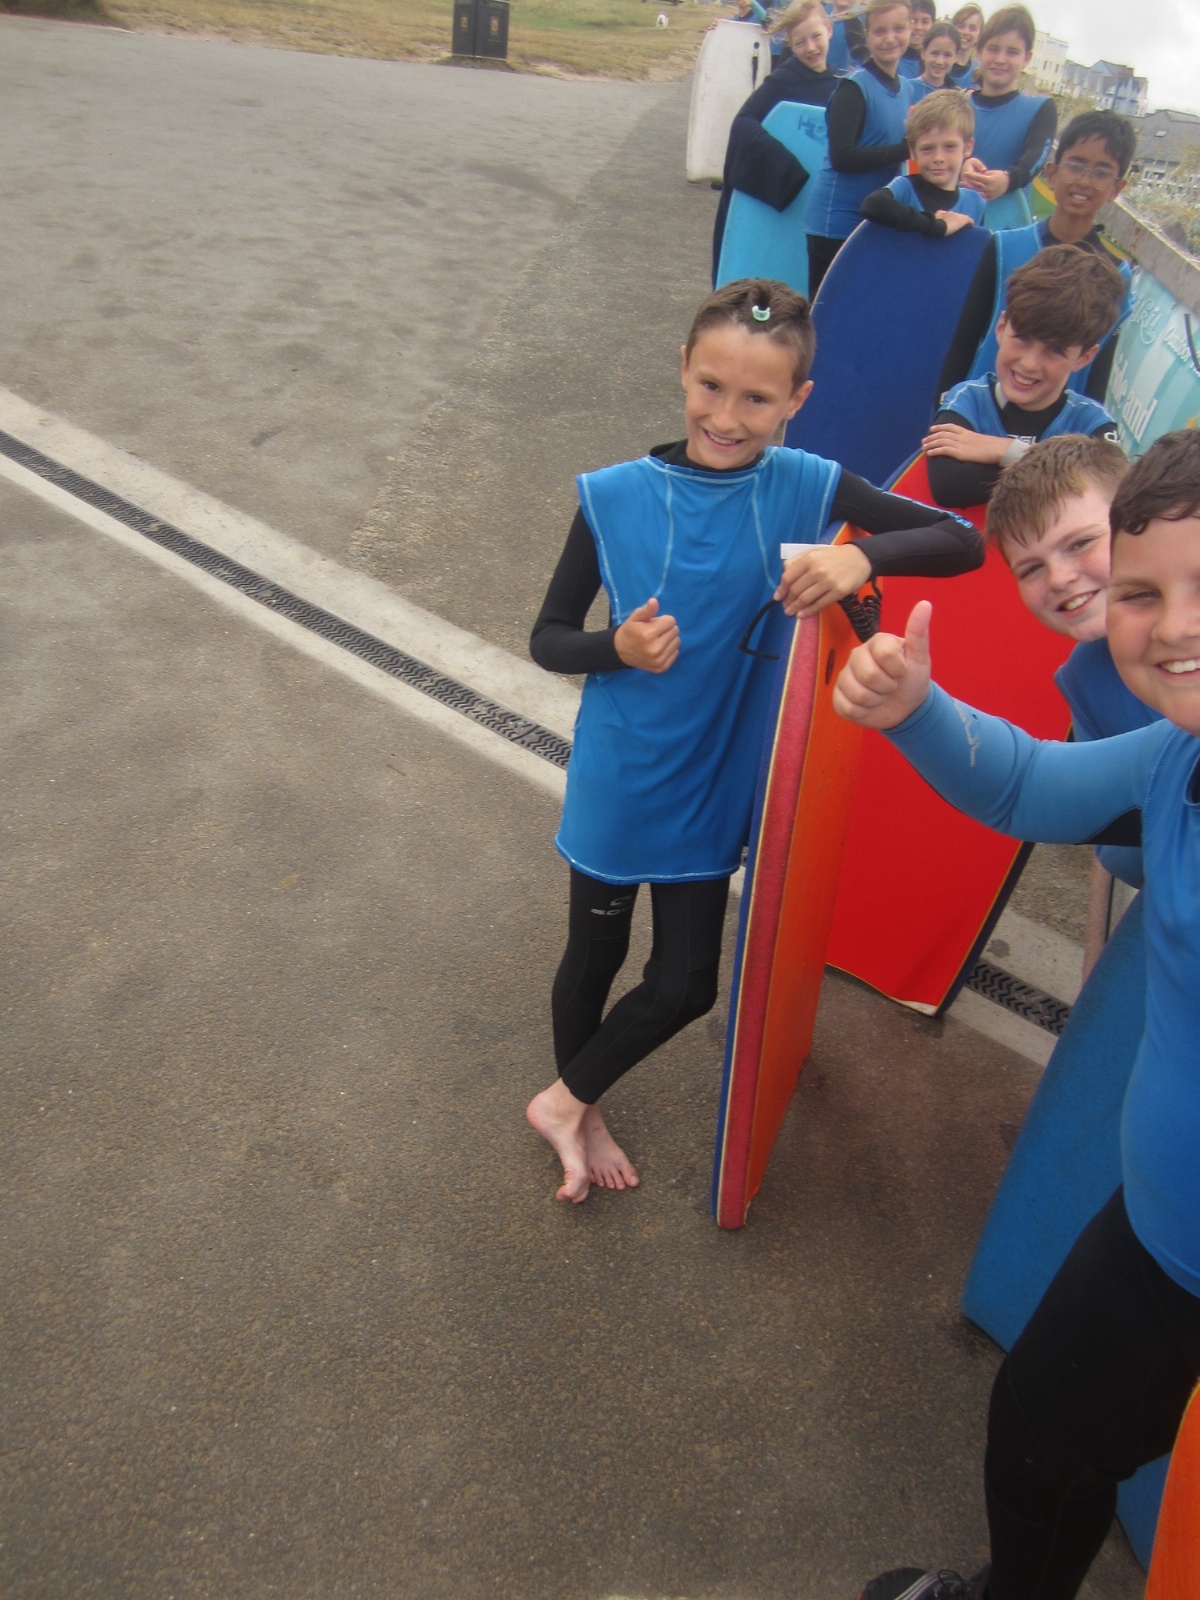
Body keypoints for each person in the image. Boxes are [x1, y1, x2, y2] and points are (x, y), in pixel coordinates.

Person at [833, 427, 1200, 1600]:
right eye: (1145, 594)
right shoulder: (1175, 754)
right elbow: (1033, 781)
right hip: (1162, 1237)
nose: (1175, 626)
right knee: (1041, 1431)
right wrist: (916, 708)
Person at [525, 278, 983, 1204]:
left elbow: (959, 541)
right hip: (625, 773)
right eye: (710, 386)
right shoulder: (613, 496)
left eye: (758, 398)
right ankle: (584, 1108)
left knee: (686, 984)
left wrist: (860, 553)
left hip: (715, 785)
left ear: (797, 400)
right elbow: (548, 637)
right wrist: (615, 648)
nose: (726, 418)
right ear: (683, 370)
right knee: (595, 957)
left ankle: (562, 1099)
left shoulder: (806, 484)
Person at [987, 433, 1158, 887]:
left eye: (1080, 543)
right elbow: (1116, 852)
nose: (1059, 578)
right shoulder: (1083, 678)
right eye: (1031, 569)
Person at [938, 110, 1136, 402]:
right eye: (1076, 166)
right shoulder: (1003, 248)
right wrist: (945, 405)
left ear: (1116, 189)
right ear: (1053, 173)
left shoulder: (1116, 276)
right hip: (977, 413)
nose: (1084, 181)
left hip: (1055, 429)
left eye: (1101, 173)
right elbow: (963, 342)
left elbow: (1097, 375)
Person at [923, 245, 1123, 507]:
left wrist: (1006, 450)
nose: (1030, 364)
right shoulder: (967, 398)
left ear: (1084, 357)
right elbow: (948, 485)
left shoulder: (1092, 421)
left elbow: (1112, 494)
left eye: (1055, 350)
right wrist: (1062, 478)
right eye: (1023, 338)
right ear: (1001, 327)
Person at [711, 0, 839, 281]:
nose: (811, 47)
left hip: (816, 211)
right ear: (790, 44)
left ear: (829, 29)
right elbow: (743, 125)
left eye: (816, 36)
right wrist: (786, 172)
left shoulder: (841, 86)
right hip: (784, 211)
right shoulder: (782, 81)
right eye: (800, 42)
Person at [805, 0, 919, 297]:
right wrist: (905, 150)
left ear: (911, 29)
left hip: (870, 221)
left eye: (898, 28)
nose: (890, 38)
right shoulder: (854, 87)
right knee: (825, 315)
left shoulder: (906, 88)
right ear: (867, 35)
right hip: (835, 222)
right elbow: (841, 157)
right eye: (880, 31)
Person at [958, 5, 1056, 225]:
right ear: (979, 50)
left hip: (1009, 226)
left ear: (1027, 57)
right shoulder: (958, 105)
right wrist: (961, 165)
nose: (1000, 59)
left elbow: (1035, 158)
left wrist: (1008, 179)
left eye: (1012, 52)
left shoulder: (1040, 108)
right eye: (993, 49)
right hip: (957, 217)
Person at [860, 88, 986, 236]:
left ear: (967, 147)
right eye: (927, 149)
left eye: (950, 147)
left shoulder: (975, 203)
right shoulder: (905, 188)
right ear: (913, 151)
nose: (938, 157)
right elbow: (872, 205)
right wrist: (937, 227)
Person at [912, 21, 962, 96]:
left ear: (956, 57)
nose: (940, 62)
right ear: (923, 52)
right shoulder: (908, 89)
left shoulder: (956, 97)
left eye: (947, 55)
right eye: (934, 53)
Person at [946, 1, 982, 84]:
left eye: (972, 28)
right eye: (961, 26)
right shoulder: (940, 64)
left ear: (980, 35)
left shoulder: (979, 73)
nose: (966, 32)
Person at [897, 0, 934, 75]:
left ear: (933, 24)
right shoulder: (891, 59)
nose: (918, 27)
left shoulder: (936, 62)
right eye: (912, 20)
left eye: (925, 21)